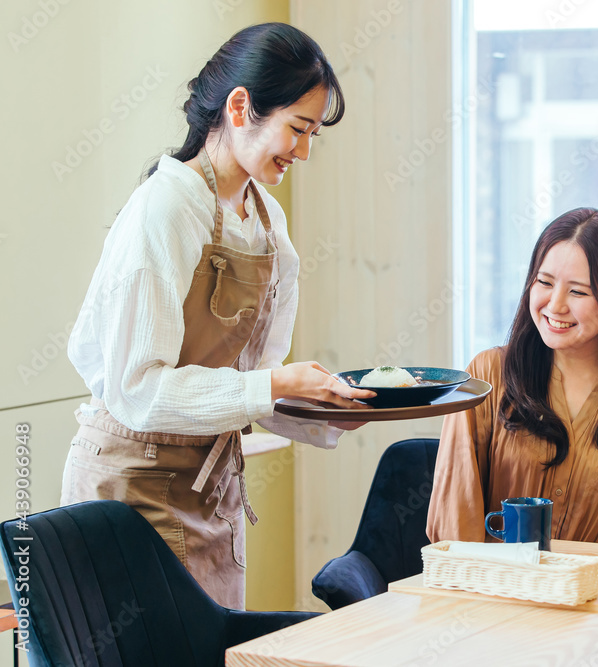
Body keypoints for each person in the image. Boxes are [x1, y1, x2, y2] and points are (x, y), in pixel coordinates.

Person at [61, 23, 374, 610]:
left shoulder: (266, 223)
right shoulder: (165, 208)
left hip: (211, 491)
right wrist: (277, 386)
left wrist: (325, 413)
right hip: (129, 490)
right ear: (239, 107)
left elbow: (250, 386)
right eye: (297, 128)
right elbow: (138, 390)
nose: (303, 151)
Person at [426, 208, 598, 546]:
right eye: (545, 283)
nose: (555, 305)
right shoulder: (485, 376)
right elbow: (454, 522)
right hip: (492, 591)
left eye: (578, 292)